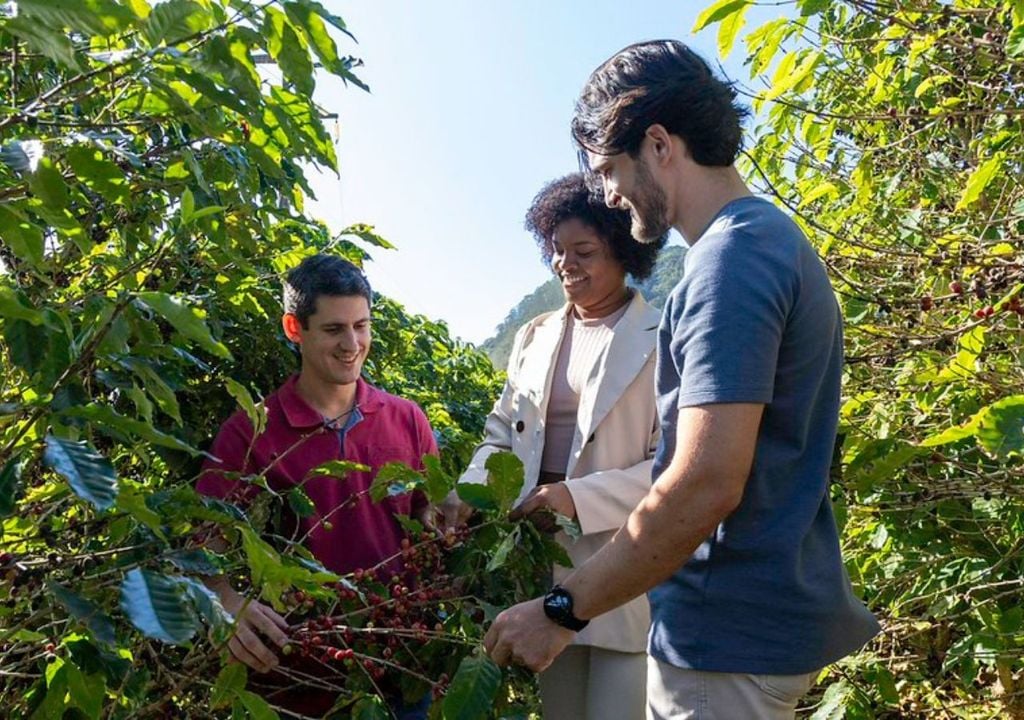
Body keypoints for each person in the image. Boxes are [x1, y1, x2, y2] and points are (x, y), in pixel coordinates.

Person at [482, 40, 880, 720]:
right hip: (752, 628)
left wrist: (561, 610)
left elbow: (704, 479)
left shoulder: (732, 260)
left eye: (610, 168)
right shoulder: (768, 242)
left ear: (659, 144)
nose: (607, 191)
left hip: (722, 635)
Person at [442, 172, 665, 720]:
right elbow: (501, 431)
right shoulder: (534, 335)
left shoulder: (662, 336)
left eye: (583, 251)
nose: (567, 264)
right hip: (542, 566)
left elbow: (671, 466)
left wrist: (574, 498)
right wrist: (465, 492)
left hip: (622, 566)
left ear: (624, 249)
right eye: (557, 251)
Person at [197, 253, 436, 719]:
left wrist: (441, 520)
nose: (352, 344)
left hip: (399, 674)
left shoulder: (408, 419)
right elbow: (205, 542)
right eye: (333, 330)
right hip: (294, 683)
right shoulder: (251, 431)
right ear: (294, 328)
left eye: (361, 326)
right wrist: (225, 600)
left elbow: (429, 512)